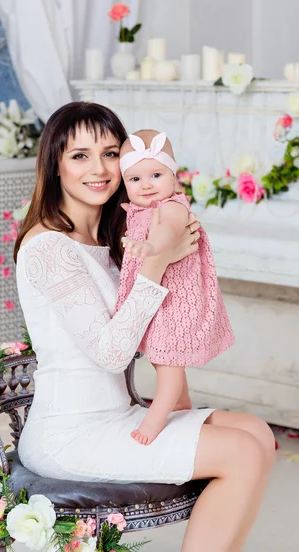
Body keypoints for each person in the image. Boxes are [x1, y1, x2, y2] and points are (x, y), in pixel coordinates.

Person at [14, 101, 275, 552]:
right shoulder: (47, 247)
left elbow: (158, 323)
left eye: (111, 153)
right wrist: (157, 261)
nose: (99, 169)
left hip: (119, 413)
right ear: (54, 165)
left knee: (258, 433)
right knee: (241, 451)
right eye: (79, 155)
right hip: (69, 433)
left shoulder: (112, 239)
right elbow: (112, 353)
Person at [115, 129, 235, 446]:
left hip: (175, 303)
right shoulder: (137, 210)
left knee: (168, 362)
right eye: (136, 179)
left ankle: (156, 417)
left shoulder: (172, 205)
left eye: (156, 174)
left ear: (173, 176)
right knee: (159, 357)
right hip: (156, 298)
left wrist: (153, 247)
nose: (147, 185)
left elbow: (169, 230)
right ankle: (182, 404)